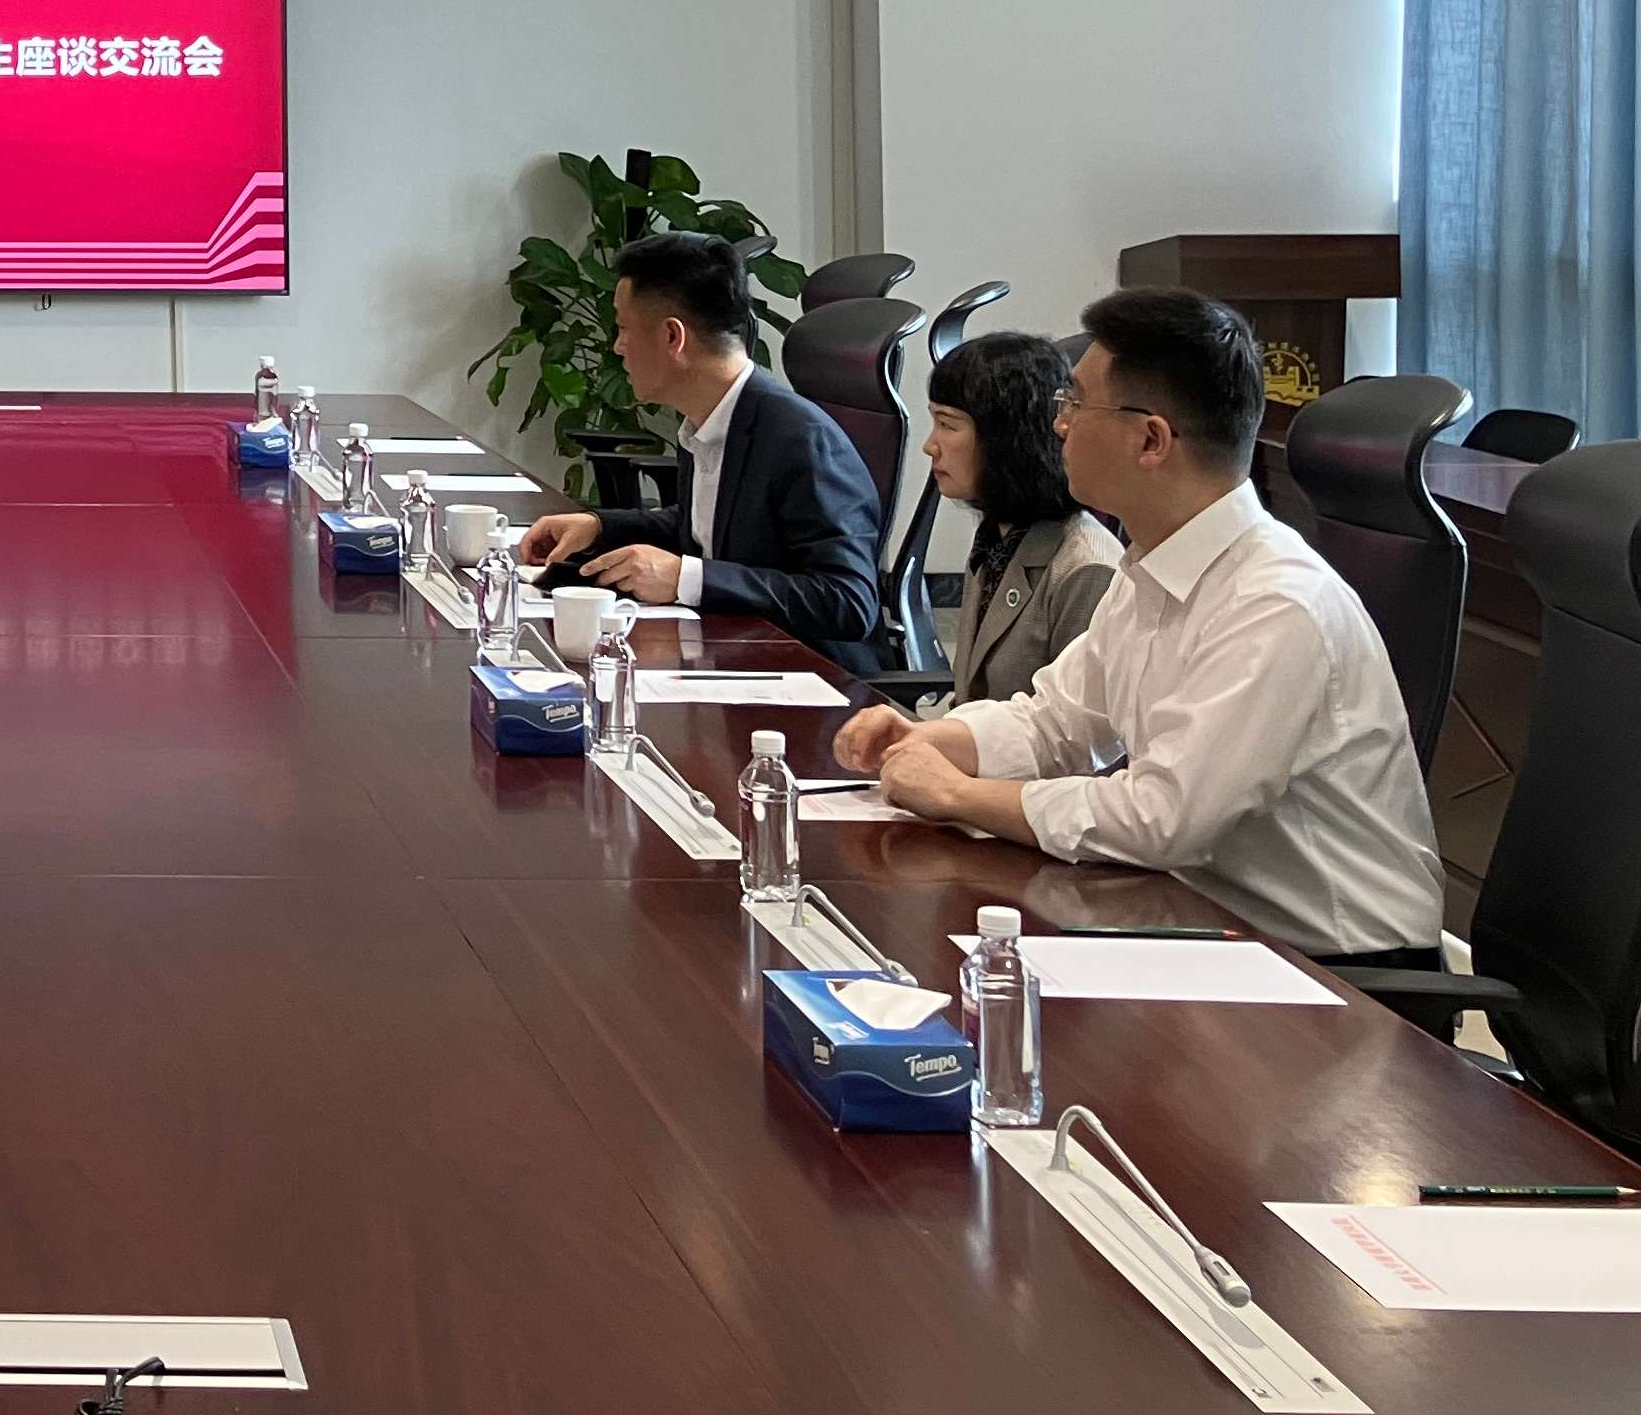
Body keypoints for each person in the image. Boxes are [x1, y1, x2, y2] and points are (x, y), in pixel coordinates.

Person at [834, 287, 1446, 962]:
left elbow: (1162, 818)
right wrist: (937, 738)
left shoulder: (1275, 604)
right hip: (1203, 923)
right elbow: (1058, 722)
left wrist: (959, 794)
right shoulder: (1150, 565)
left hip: (1337, 972)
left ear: (1150, 439)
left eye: (1074, 404)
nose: (1058, 426)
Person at [516, 229, 881, 650]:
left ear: (673, 337)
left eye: (624, 329)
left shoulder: (801, 440)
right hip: (731, 649)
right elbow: (708, 528)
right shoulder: (710, 418)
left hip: (804, 671)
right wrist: (599, 527)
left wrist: (685, 578)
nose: (617, 347)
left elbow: (848, 600)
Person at [924, 329, 1121, 704]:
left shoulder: (1087, 570)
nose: (929, 445)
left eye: (947, 424)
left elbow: (1080, 730)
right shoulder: (1000, 535)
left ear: (1007, 437)